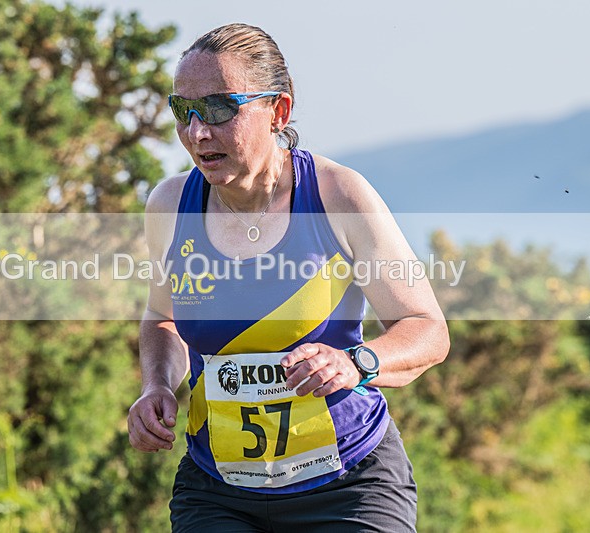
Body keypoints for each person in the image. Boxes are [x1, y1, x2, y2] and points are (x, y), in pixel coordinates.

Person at [127, 23, 450, 532]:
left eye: (219, 109)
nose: (197, 132)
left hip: (349, 483)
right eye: (182, 111)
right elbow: (160, 318)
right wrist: (155, 386)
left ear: (278, 111)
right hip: (218, 490)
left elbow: (427, 328)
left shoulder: (338, 195)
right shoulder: (170, 205)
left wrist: (355, 362)